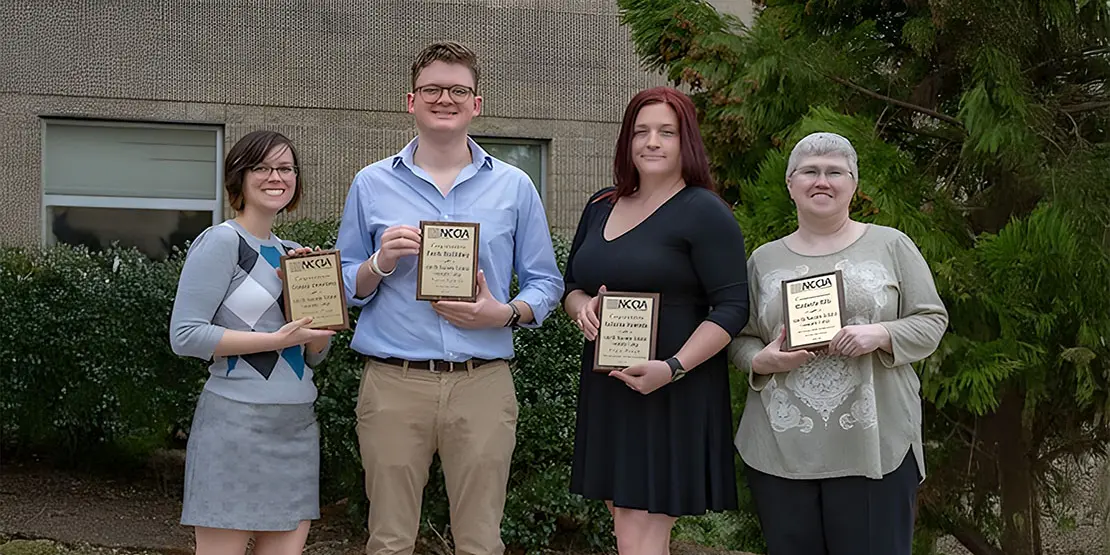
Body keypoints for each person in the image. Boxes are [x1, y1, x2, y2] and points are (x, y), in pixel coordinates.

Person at [334, 41, 564, 555]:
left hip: (482, 385)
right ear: (409, 101)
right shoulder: (370, 184)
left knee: (481, 541)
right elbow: (343, 286)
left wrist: (502, 312)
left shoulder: (515, 186)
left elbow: (546, 284)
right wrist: (379, 264)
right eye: (432, 89)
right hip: (394, 383)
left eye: (458, 90)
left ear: (476, 104)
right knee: (389, 540)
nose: (445, 98)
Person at [728, 132, 949, 555]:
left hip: (875, 446)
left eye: (835, 172)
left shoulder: (892, 244)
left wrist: (881, 334)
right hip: (781, 448)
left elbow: (931, 321)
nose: (822, 181)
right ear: (790, 184)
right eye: (809, 171)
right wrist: (762, 360)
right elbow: (740, 337)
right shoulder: (763, 259)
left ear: (854, 183)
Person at [561, 86, 750, 555]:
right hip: (609, 385)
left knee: (639, 526)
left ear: (687, 142)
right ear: (627, 140)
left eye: (667, 132)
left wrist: (673, 367)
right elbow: (572, 286)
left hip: (670, 389)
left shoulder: (705, 212)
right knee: (623, 516)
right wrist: (581, 307)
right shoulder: (600, 204)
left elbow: (731, 308)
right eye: (641, 131)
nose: (652, 142)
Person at [169, 130, 335, 555]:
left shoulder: (297, 254)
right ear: (239, 178)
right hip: (234, 424)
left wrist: (318, 330)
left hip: (296, 424)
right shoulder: (222, 241)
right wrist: (275, 338)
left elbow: (313, 358)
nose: (275, 176)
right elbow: (185, 335)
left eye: (285, 168)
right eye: (261, 167)